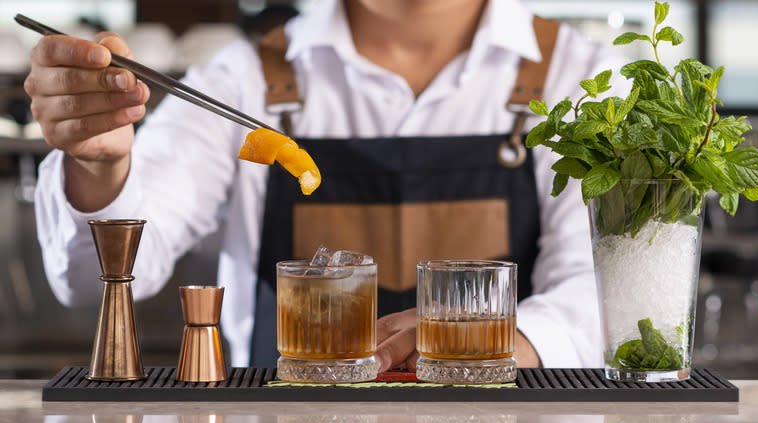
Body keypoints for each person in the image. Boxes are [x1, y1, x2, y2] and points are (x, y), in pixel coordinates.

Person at [27, 0, 629, 370]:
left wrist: (509, 337)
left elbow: (607, 290)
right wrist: (98, 166)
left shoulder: (585, 80)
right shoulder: (241, 79)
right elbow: (90, 283)